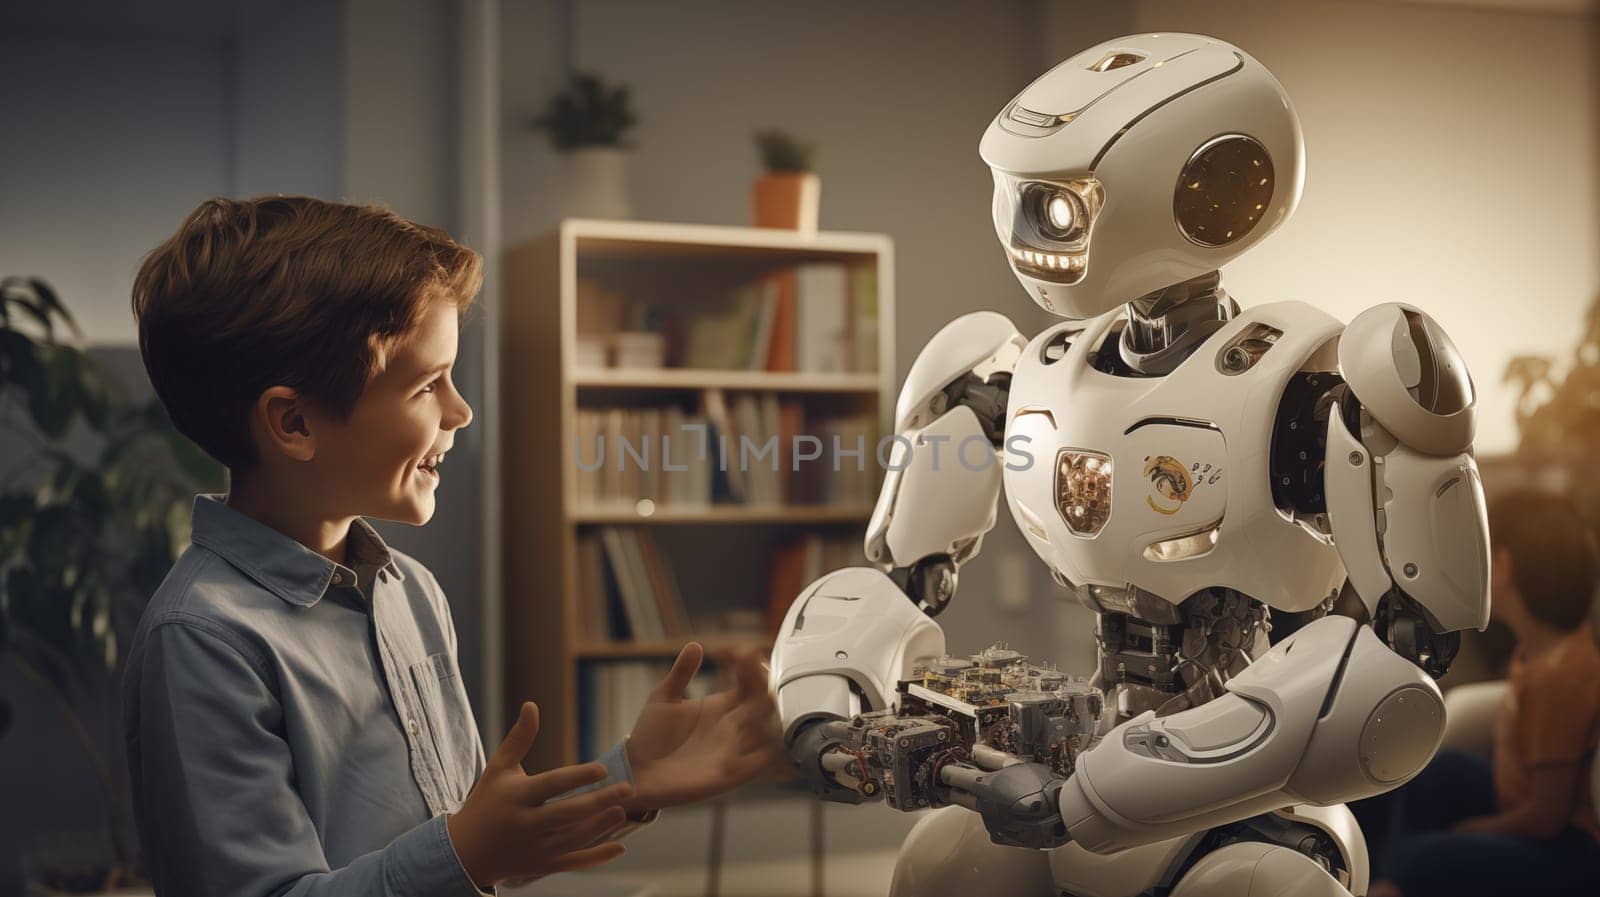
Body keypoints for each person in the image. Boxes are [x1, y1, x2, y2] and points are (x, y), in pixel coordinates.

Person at [122, 196, 780, 896]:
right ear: (293, 422)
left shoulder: (410, 592)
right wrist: (464, 852)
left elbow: (473, 851)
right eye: (430, 383)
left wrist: (630, 778)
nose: (461, 410)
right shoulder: (201, 639)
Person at [1366, 490, 1600, 897]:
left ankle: (1394, 878)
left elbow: (1547, 817)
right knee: (1436, 773)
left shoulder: (1560, 677)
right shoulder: (1538, 651)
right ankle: (1391, 873)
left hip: (1566, 853)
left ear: (1505, 567)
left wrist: (1476, 829)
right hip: (1520, 805)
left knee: (1423, 859)